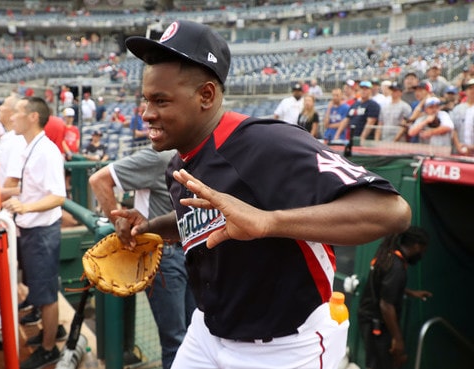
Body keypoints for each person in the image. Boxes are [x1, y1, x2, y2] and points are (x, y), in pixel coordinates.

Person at [113, 20, 411, 369]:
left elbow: (392, 211)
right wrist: (147, 227)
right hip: (206, 333)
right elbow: (202, 223)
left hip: (284, 347)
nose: (147, 114)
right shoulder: (179, 162)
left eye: (161, 101)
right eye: (146, 100)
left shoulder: (267, 143)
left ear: (206, 95)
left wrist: (269, 221)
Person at [88, 148, 195, 369]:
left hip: (193, 249)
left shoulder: (199, 154)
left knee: (196, 334)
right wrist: (118, 223)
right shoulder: (160, 156)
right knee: (175, 340)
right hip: (163, 256)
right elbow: (99, 180)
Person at [1, 96, 67, 369]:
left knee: (47, 295)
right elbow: (33, 187)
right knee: (40, 292)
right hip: (32, 229)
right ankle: (47, 336)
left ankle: (50, 349)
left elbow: (58, 196)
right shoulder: (31, 147)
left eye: (17, 112)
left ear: (32, 117)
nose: (12, 117)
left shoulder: (46, 151)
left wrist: (25, 206)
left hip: (41, 232)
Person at [358, 226, 431, 369]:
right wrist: (398, 339)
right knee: (379, 365)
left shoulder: (387, 255)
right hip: (376, 324)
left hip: (368, 318)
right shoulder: (396, 267)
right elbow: (386, 305)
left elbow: (385, 288)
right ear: (417, 246)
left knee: (375, 361)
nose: (422, 254)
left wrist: (411, 293)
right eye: (423, 250)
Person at [451, 78, 474, 155]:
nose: (473, 91)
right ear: (466, 91)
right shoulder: (458, 108)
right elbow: (453, 129)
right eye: (470, 88)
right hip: (460, 149)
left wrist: (471, 147)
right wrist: (458, 145)